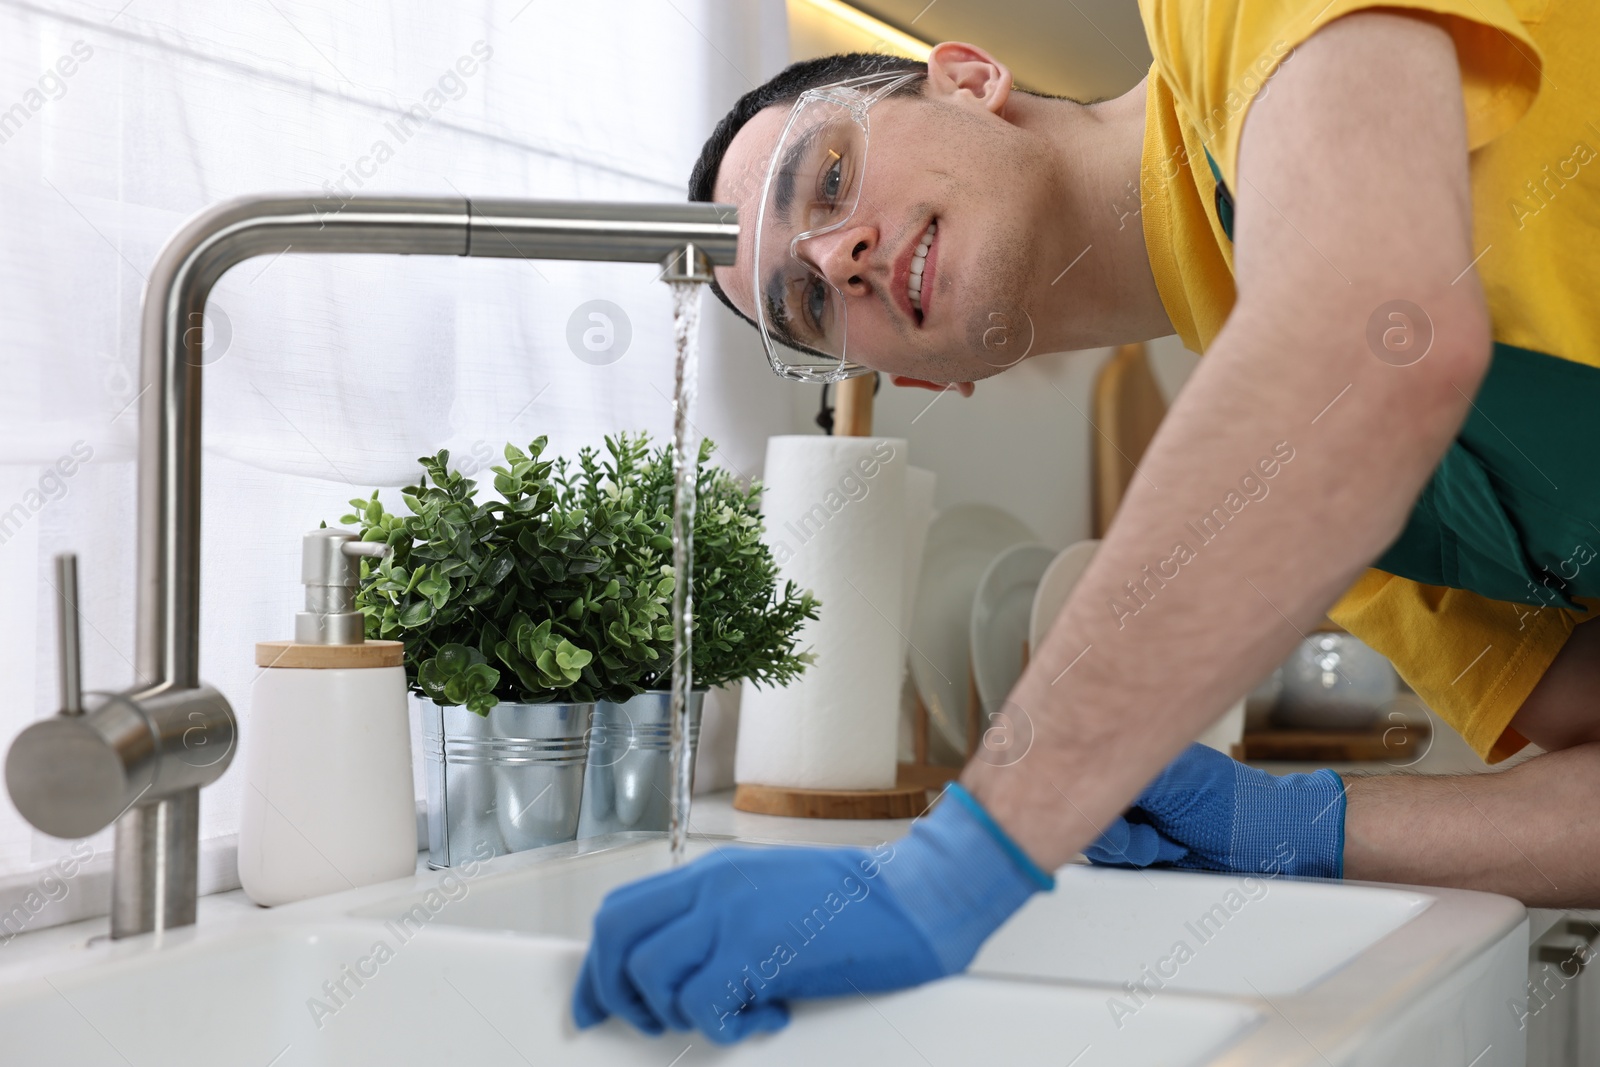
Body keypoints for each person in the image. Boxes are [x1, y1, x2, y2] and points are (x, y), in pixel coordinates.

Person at [574, 0, 1600, 1045]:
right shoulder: (1361, 531)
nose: (838, 259)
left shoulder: (1228, 16)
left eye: (829, 178)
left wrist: (961, 866)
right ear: (925, 378)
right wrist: (1295, 827)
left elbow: (1367, 347)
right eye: (808, 303)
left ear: (970, 77)